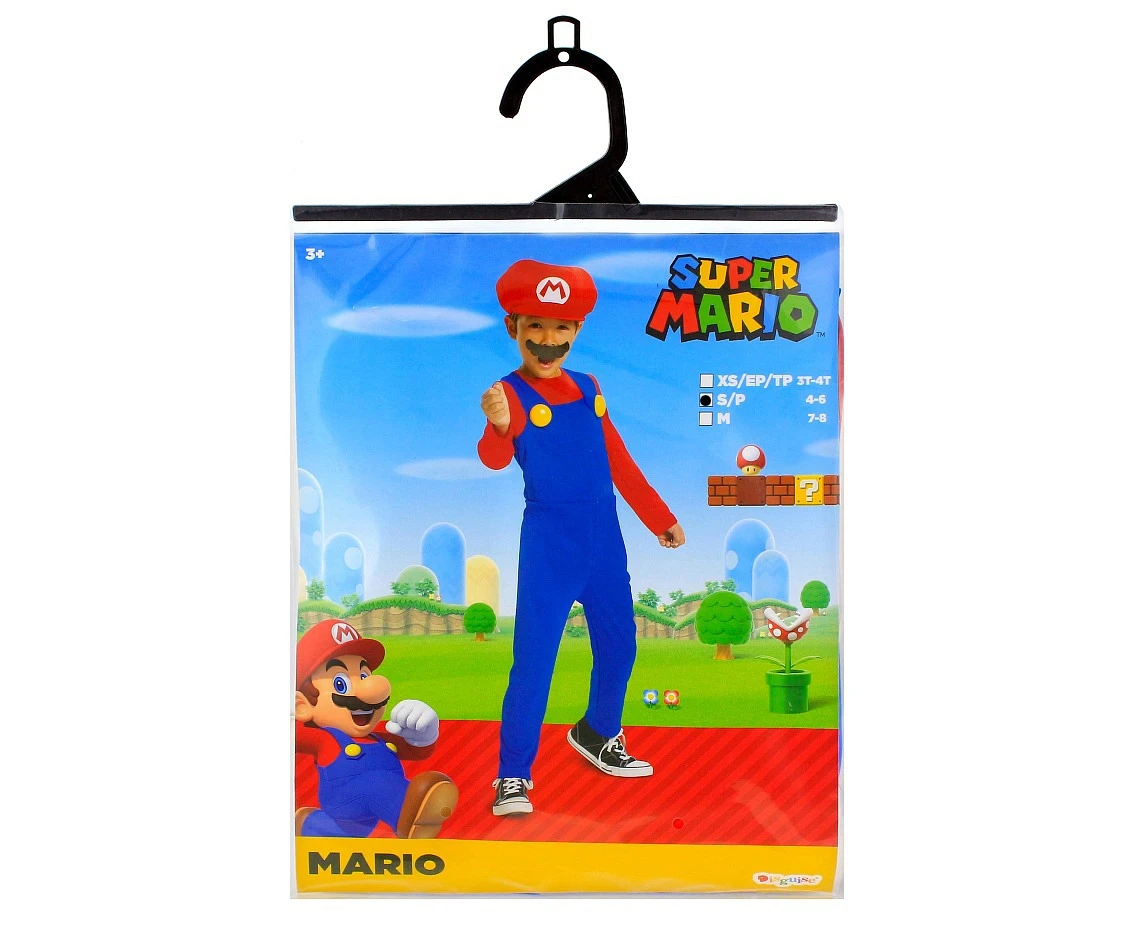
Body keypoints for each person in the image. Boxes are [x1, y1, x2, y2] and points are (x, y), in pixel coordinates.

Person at [478, 259, 685, 816]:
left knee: (620, 645)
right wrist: (498, 425)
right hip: (550, 544)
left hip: (604, 540)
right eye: (535, 327)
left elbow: (618, 458)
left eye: (561, 328)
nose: (548, 341)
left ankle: (597, 732)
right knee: (534, 661)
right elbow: (494, 459)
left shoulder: (590, 386)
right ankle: (513, 776)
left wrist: (659, 517)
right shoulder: (509, 393)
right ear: (513, 328)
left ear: (577, 330)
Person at [294, 618, 458, 838]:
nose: (369, 690)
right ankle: (410, 816)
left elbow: (417, 751)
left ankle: (309, 823)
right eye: (341, 683)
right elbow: (294, 736)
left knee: (348, 832)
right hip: (343, 797)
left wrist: (423, 734)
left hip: (370, 808)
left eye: (364, 675)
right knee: (377, 783)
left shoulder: (380, 739)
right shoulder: (325, 739)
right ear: (303, 706)